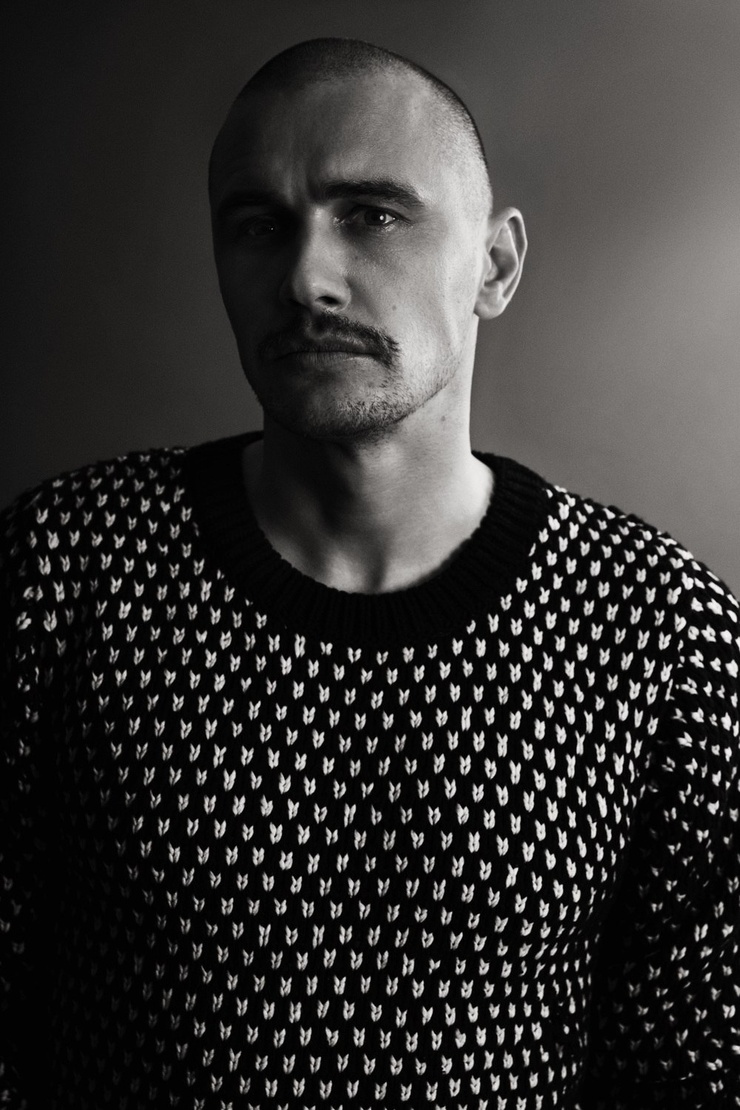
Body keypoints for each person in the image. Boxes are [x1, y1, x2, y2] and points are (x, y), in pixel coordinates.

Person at [1, 36, 738, 1110]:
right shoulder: (62, 568)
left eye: (372, 215)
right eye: (258, 225)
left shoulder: (661, 632)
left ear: (494, 266)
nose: (306, 279)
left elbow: (693, 1063)